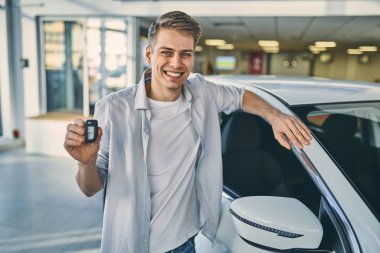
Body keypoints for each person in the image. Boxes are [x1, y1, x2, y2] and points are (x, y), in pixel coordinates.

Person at [64, 11, 311, 253]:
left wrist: (275, 116)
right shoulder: (114, 108)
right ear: (149, 54)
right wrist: (86, 163)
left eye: (185, 54)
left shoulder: (203, 92)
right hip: (129, 245)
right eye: (166, 52)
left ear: (193, 57)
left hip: (183, 243)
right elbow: (89, 188)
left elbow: (241, 96)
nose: (176, 63)